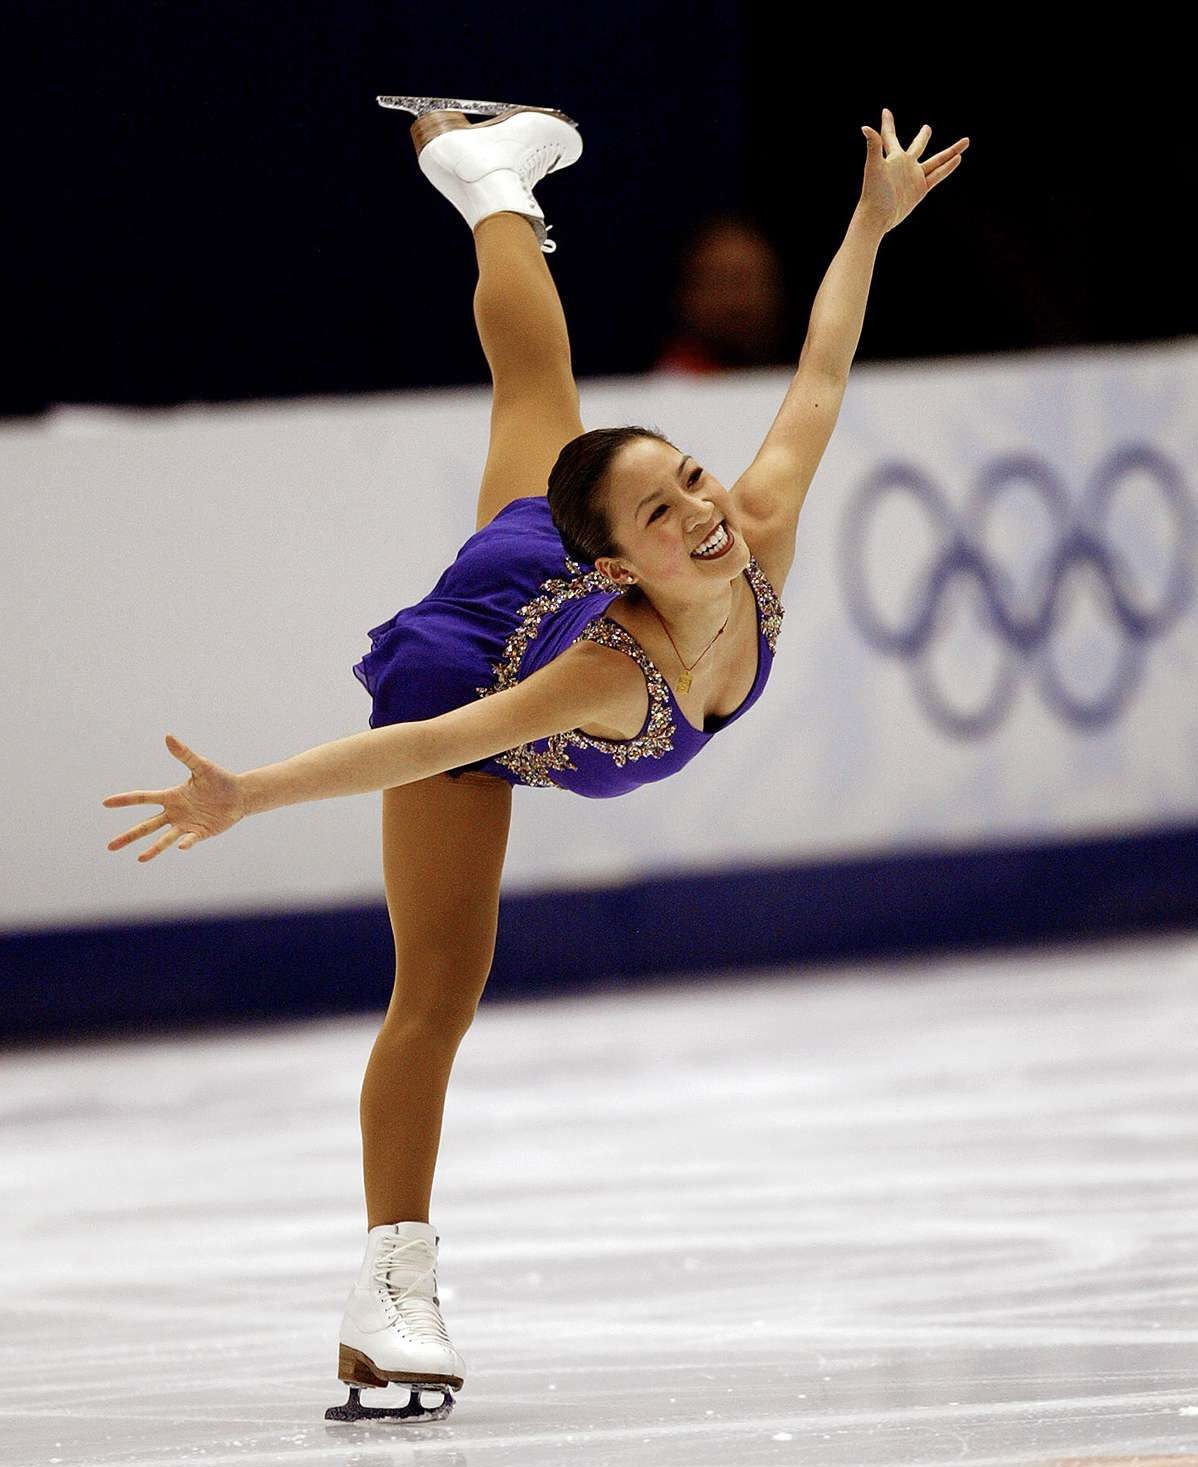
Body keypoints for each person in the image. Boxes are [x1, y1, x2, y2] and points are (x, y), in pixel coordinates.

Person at [101, 99, 969, 1421]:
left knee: (533, 390)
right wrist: (247, 795)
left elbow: (820, 375)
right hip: (467, 680)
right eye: (665, 512)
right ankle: (391, 1288)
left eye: (693, 477)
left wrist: (867, 224)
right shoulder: (598, 674)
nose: (706, 513)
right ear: (613, 566)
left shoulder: (752, 528)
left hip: (543, 554)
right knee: (439, 987)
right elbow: (433, 742)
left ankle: (491, 182)